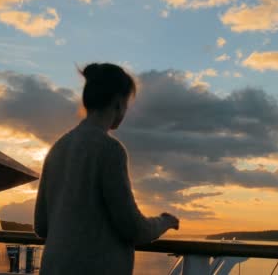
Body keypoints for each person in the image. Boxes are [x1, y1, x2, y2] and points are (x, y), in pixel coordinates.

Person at [34, 63, 179, 275]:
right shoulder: (109, 150)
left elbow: (41, 226)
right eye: (127, 104)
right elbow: (132, 228)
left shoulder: (58, 148)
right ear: (119, 103)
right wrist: (164, 222)